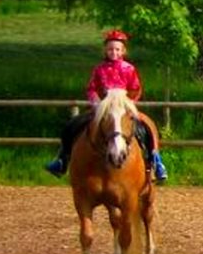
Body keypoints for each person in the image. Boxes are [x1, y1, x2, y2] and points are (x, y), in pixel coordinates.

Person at [45, 29, 167, 181]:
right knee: (73, 125)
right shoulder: (100, 69)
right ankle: (62, 159)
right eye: (110, 49)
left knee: (148, 126)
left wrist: (128, 103)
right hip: (103, 107)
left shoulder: (129, 69)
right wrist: (97, 103)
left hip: (123, 106)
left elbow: (136, 88)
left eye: (117, 49)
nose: (113, 52)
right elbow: (92, 88)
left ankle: (155, 161)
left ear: (123, 51)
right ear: (105, 50)